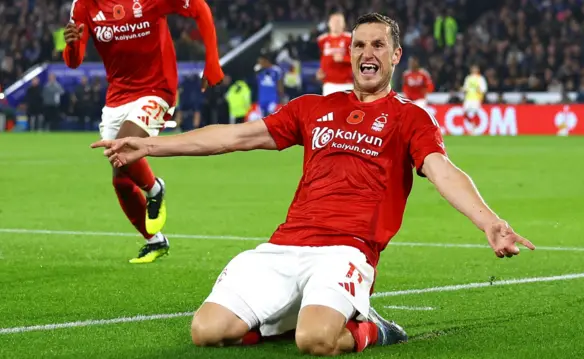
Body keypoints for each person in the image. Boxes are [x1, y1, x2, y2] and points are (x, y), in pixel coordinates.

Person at [92, 12, 535, 356]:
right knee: (206, 332)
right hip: (285, 246)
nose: (368, 52)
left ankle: (373, 328)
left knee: (317, 341)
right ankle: (291, 315)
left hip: (348, 249)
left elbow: (442, 171)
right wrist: (150, 146)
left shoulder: (410, 118)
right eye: (360, 44)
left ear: (395, 55)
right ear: (350, 53)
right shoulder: (313, 107)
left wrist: (489, 222)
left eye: (379, 45)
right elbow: (235, 137)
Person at [63, 0, 224, 263]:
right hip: (117, 96)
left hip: (156, 88)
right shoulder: (83, 5)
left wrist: (212, 61)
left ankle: (154, 189)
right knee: (120, 178)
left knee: (123, 148)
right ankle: (154, 241)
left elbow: (199, 7)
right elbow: (73, 61)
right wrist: (71, 44)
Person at [316, 11, 353, 96]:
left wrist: (344, 58)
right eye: (333, 21)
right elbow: (323, 59)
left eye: (339, 21)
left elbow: (359, 59)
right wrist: (320, 72)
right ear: (329, 23)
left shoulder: (350, 38)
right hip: (329, 85)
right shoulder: (322, 40)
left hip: (346, 84)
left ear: (344, 24)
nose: (336, 24)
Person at [255, 52, 284, 117]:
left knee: (271, 119)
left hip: (272, 99)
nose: (259, 64)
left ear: (266, 61)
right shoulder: (259, 70)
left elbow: (280, 85)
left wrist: (281, 97)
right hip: (261, 100)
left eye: (260, 62)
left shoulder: (276, 70)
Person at [461, 65, 488, 134]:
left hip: (476, 98)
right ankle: (473, 125)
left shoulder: (480, 78)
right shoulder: (468, 78)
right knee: (465, 113)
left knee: (474, 113)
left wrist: (479, 90)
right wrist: (463, 89)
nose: (474, 70)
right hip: (468, 98)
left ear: (478, 70)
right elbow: (465, 88)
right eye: (473, 69)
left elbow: (484, 89)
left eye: (475, 69)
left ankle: (473, 129)